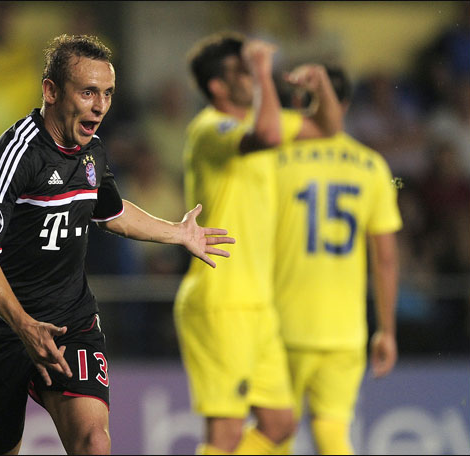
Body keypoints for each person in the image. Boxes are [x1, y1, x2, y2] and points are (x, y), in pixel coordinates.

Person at [0, 34, 235, 456]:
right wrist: (24, 325)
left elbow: (111, 212)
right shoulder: (17, 155)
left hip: (69, 322)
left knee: (94, 443)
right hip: (0, 329)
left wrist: (177, 232)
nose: (100, 105)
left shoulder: (92, 151)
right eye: (88, 92)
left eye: (108, 93)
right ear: (51, 91)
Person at [173, 31, 343, 455]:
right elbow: (266, 135)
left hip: (258, 305)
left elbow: (327, 127)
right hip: (220, 299)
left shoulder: (260, 120)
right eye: (242, 70)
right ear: (217, 86)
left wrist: (321, 86)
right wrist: (266, 73)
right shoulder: (210, 129)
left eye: (251, 68)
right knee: (226, 433)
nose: (250, 75)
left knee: (280, 424)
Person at [274, 66, 402, 454]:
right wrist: (386, 330)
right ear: (343, 105)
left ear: (299, 102)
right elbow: (385, 258)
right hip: (345, 330)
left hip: (283, 322)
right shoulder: (372, 166)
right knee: (332, 431)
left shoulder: (275, 158)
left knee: (274, 432)